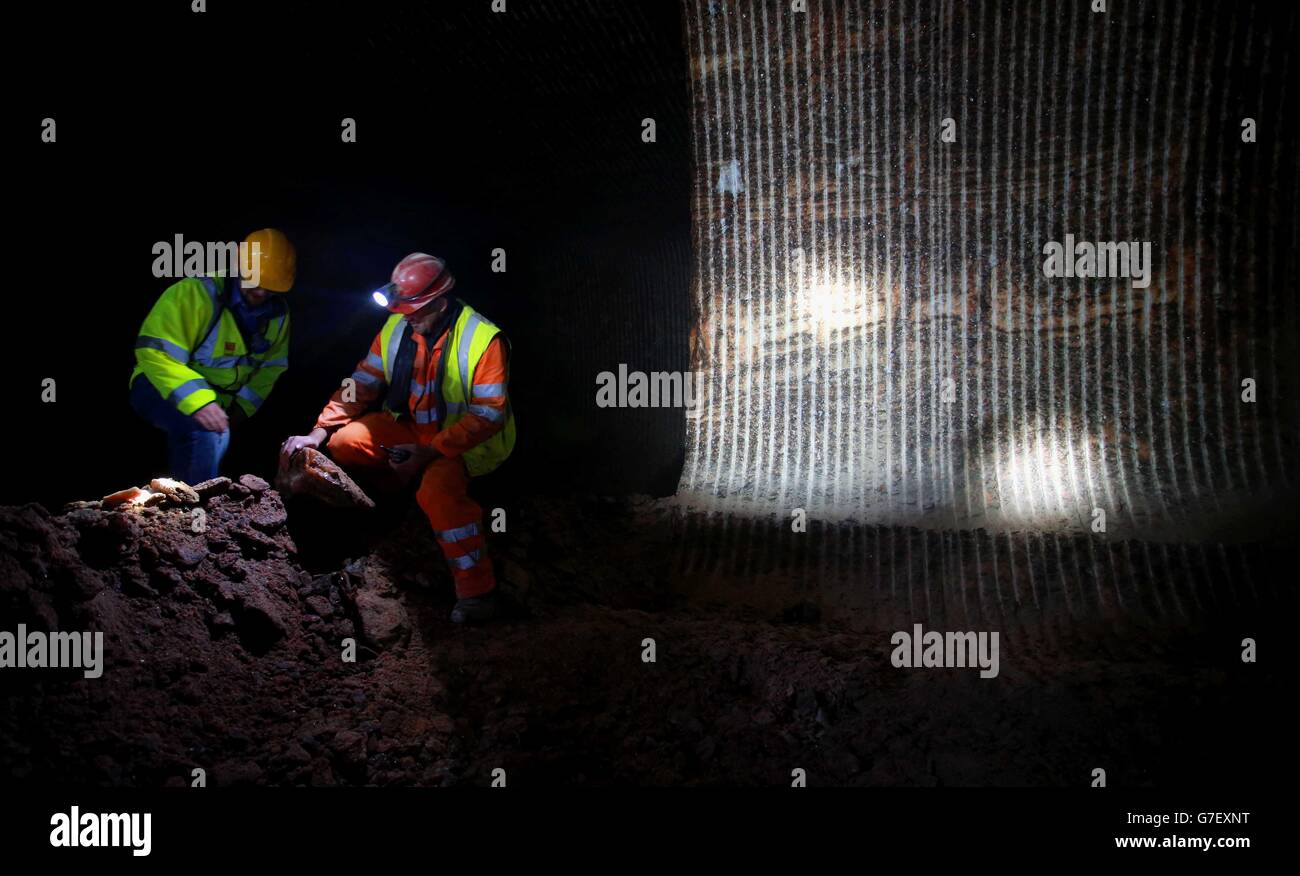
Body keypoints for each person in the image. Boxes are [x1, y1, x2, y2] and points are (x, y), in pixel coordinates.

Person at [280, 253, 515, 624]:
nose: (407, 317)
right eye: (402, 309)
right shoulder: (398, 326)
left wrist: (428, 452)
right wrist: (318, 431)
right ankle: (390, 511)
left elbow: (487, 415)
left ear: (440, 302)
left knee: (438, 495)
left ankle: (477, 593)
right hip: (414, 428)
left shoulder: (484, 339)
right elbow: (362, 383)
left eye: (415, 309)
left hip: (460, 442)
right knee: (345, 443)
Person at [130, 229, 295, 485]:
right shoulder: (195, 293)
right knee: (206, 431)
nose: (261, 291)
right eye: (254, 280)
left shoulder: (278, 315)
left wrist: (240, 408)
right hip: (156, 384)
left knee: (219, 433)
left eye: (269, 286)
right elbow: (155, 351)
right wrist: (200, 402)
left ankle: (185, 504)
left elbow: (271, 368)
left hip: (219, 403)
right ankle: (193, 513)